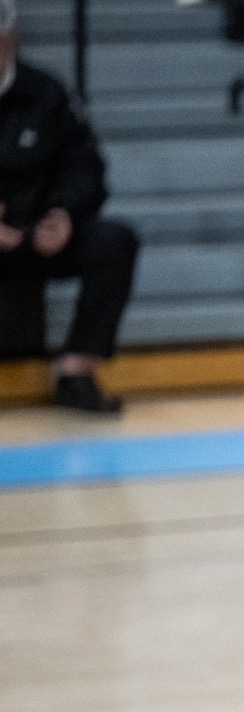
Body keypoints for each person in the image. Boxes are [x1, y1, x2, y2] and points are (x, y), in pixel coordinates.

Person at [0, 0, 138, 414]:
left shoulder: (47, 92)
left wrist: (63, 215)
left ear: (13, 38)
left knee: (114, 240)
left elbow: (85, 167)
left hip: (40, 237)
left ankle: (77, 370)